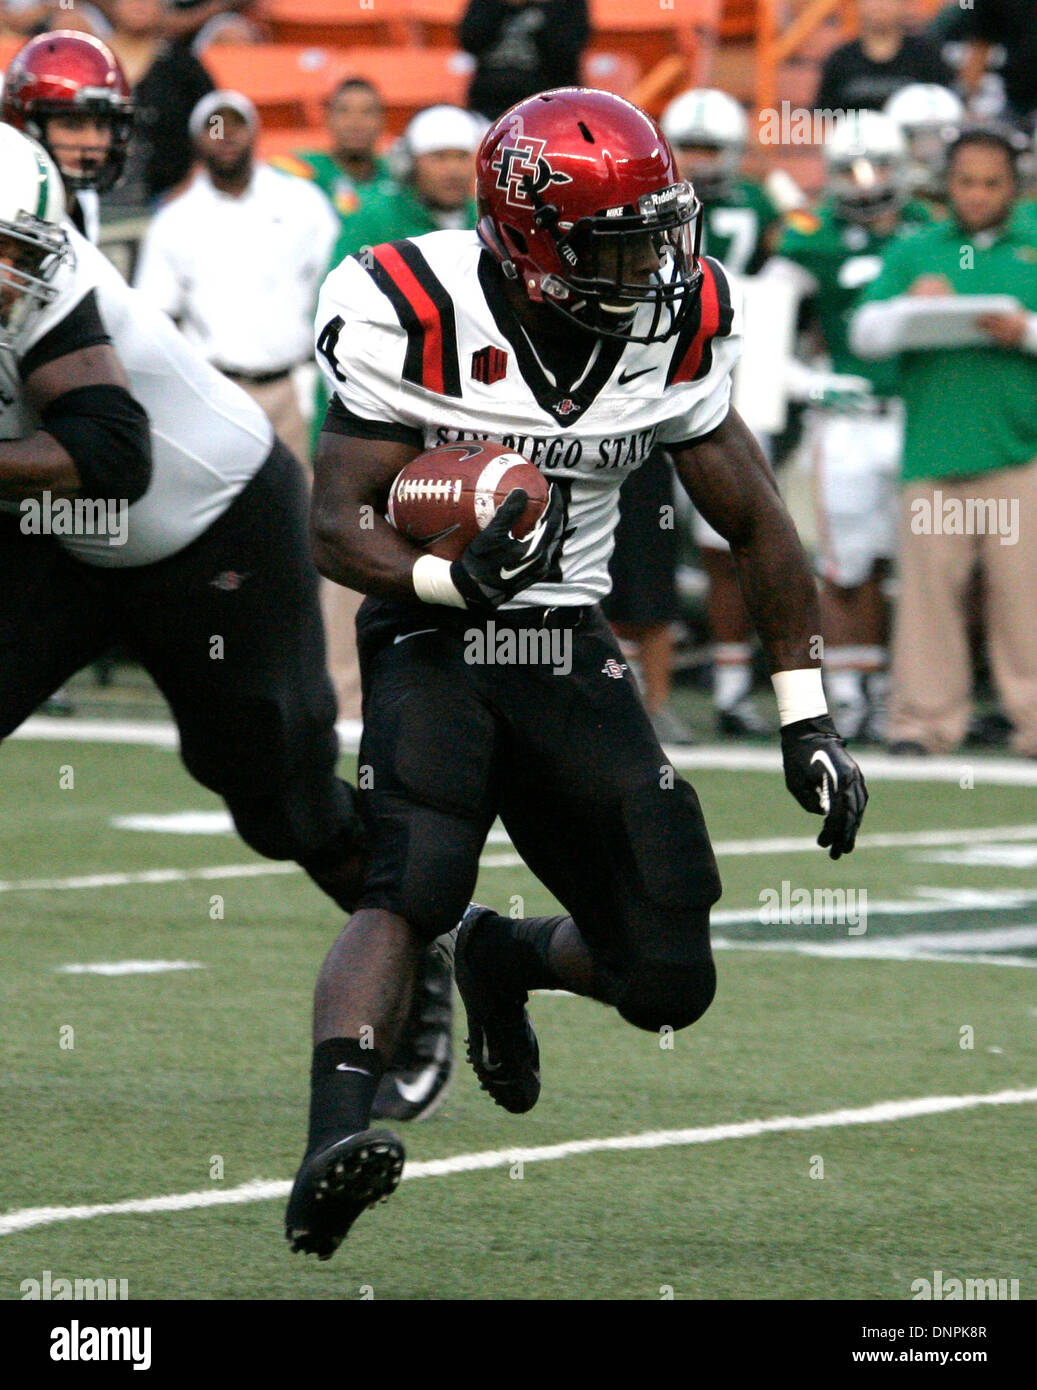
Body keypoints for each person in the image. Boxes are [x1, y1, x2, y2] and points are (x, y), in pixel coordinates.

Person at [286, 87, 868, 1259]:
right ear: (530, 239)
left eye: (658, 230)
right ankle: (330, 1139)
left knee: (666, 973)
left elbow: (754, 525)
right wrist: (452, 584)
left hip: (564, 639)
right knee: (414, 875)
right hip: (430, 627)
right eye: (620, 240)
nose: (654, 262)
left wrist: (804, 720)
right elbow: (336, 521)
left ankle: (509, 958)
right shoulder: (412, 305)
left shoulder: (673, 321)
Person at [0, 124, 451, 1125]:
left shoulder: (54, 284)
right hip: (58, 535)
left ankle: (414, 956)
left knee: (275, 799)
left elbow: (113, 455)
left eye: (14, 250)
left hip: (214, 530)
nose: (7, 274)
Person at [850, 124, 1037, 756]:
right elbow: (865, 334)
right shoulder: (916, 249)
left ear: (1015, 186)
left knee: (1027, 603)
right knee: (928, 602)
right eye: (966, 182)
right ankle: (925, 725)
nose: (979, 194)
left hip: (1020, 452)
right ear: (946, 184)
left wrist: (1026, 331)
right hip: (932, 452)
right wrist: (909, 306)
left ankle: (1033, 722)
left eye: (992, 183)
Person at [764, 111, 932, 741]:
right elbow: (755, 334)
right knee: (846, 566)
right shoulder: (811, 239)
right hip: (846, 424)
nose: (866, 183)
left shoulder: (932, 233)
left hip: (922, 418)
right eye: (852, 170)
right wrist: (810, 382)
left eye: (881, 167)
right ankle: (853, 695)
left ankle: (902, 691)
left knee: (916, 566)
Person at [659, 86, 785, 738]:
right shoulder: (642, 202)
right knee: (646, 540)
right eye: (691, 146)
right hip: (652, 384)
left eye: (711, 148)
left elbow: (785, 289)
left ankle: (732, 685)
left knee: (732, 537)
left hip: (735, 385)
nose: (701, 161)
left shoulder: (762, 208)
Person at [134, 89, 339, 464]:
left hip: (292, 387)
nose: (224, 135)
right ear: (197, 142)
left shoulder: (302, 201)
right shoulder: (175, 220)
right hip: (216, 389)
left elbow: (336, 282)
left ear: (254, 132)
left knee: (302, 502)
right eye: (213, 128)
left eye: (234, 125)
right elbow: (156, 315)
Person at [3, 29, 134, 244]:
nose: (92, 142)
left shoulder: (85, 200)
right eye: (72, 125)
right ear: (27, 124)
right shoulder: (8, 205)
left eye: (102, 125)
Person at [103, 0, 213, 207]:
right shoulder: (90, 59)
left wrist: (198, 175)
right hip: (95, 195)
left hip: (168, 198)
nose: (140, 4)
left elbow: (216, 118)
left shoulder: (183, 64)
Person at [815, 0, 953, 115]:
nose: (880, 5)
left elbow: (947, 107)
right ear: (858, 5)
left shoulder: (926, 56)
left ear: (903, 5)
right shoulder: (840, 59)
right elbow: (824, 116)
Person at [460, 0, 589, 123]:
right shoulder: (489, 3)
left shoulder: (569, 3)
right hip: (488, 105)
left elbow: (565, 53)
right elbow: (470, 40)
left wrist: (547, 7)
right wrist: (503, 5)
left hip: (548, 107)